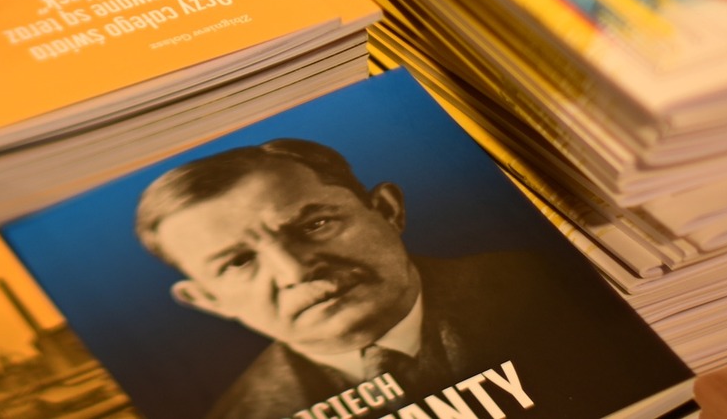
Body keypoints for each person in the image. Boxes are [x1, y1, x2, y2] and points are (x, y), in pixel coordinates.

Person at [135, 139, 591, 419]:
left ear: (388, 211)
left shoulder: (555, 283)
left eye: (316, 225)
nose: (295, 271)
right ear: (208, 301)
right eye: (238, 262)